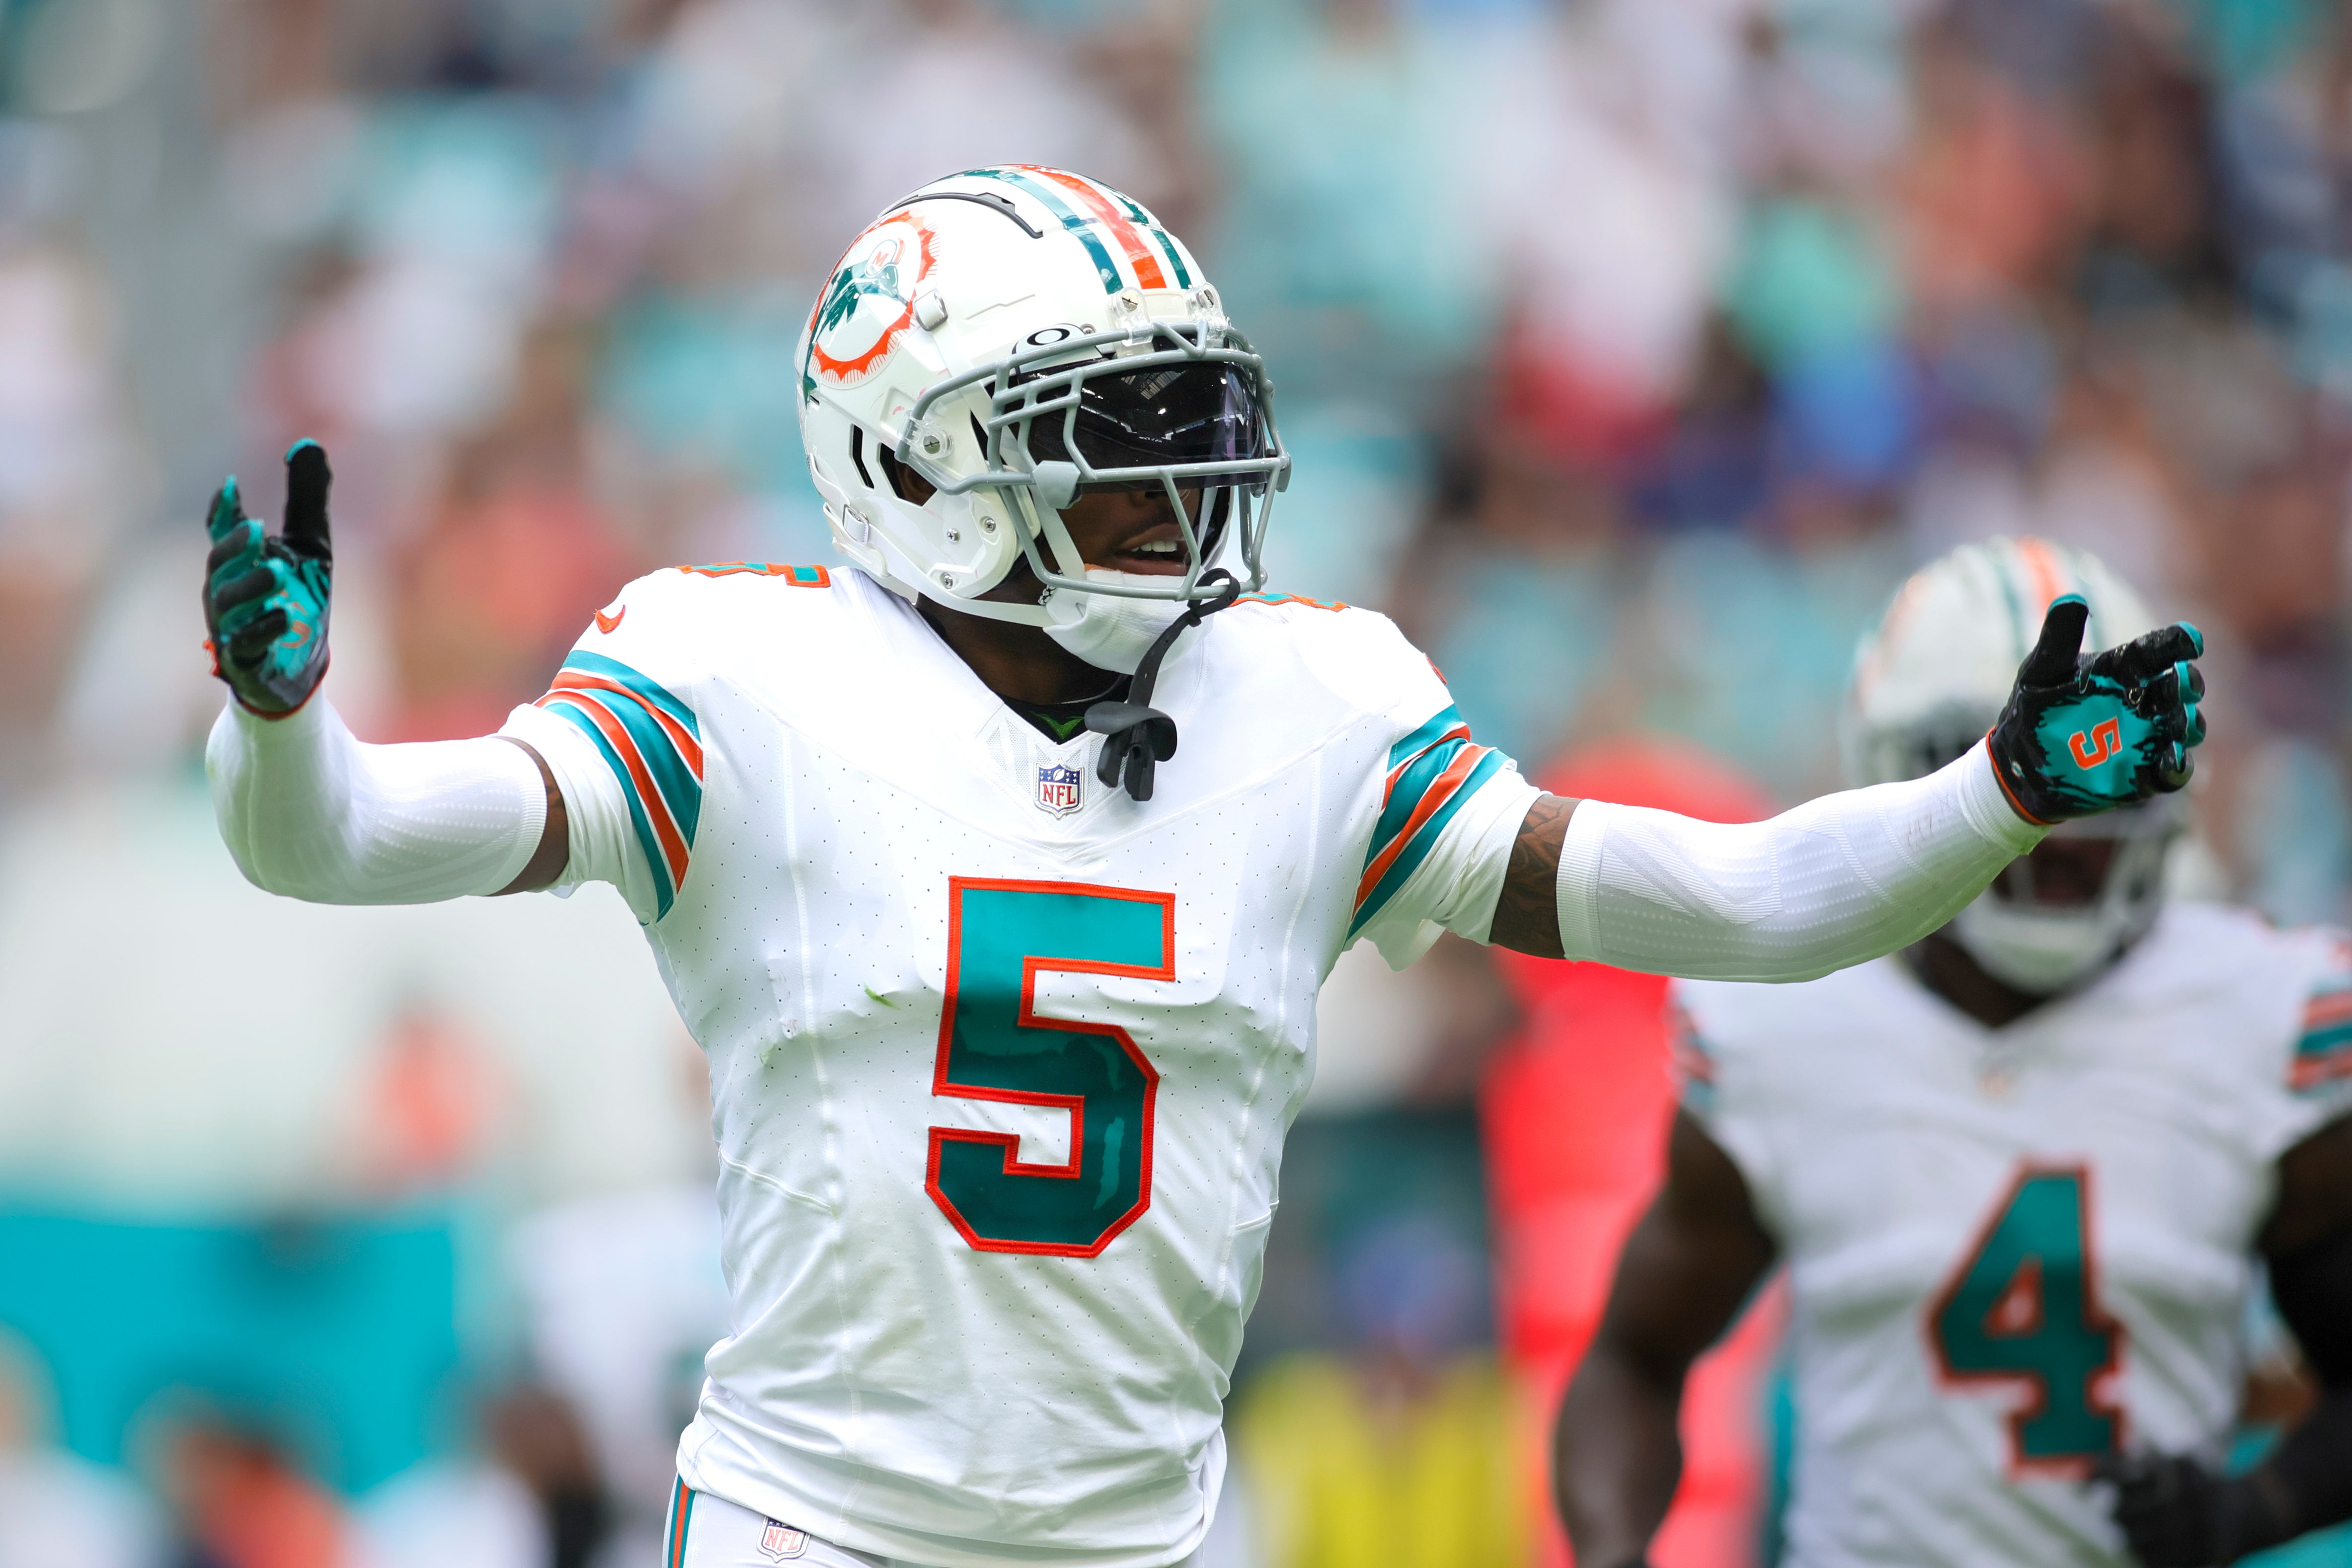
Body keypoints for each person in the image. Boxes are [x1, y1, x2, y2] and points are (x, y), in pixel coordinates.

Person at [200, 171, 2204, 1568]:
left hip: (1147, 1536)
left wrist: (1998, 796)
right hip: (821, 1532)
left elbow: (1746, 903)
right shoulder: (742, 679)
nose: (1183, 491)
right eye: (1111, 435)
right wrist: (282, 721)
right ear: (914, 467)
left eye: (1191, 425)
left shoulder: (1304, 705)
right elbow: (348, 844)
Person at [1553, 538, 2352, 1568]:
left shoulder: (2258, 1016)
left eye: (2098, 749)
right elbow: (1635, 1358)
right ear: (1896, 775)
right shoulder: (1784, 1020)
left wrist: (2255, 1509)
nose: (2062, 819)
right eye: (2011, 759)